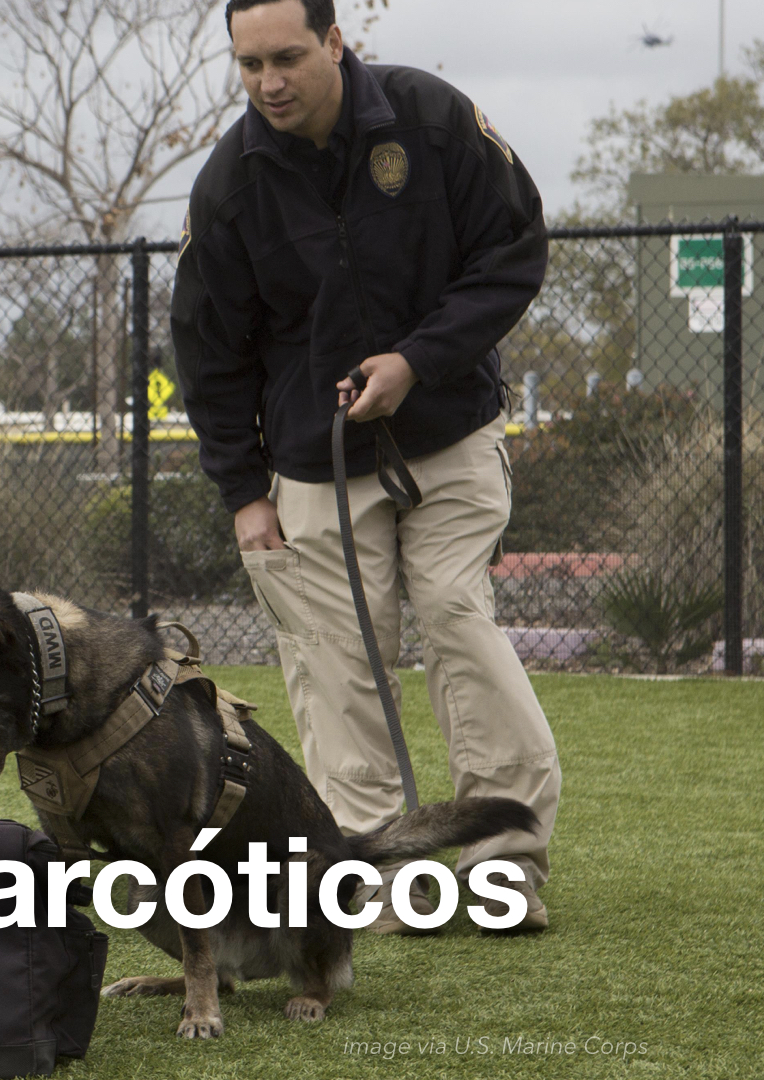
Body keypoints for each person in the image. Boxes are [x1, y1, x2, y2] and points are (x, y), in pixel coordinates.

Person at [171, 0, 559, 933]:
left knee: (456, 615)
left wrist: (417, 360)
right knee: (336, 661)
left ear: (336, 42)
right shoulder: (229, 184)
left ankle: (504, 867)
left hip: (450, 431)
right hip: (314, 464)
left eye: (287, 58)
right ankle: (378, 876)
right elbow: (209, 353)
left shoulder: (431, 119)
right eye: (250, 64)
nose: (269, 83)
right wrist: (244, 493)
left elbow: (513, 250)